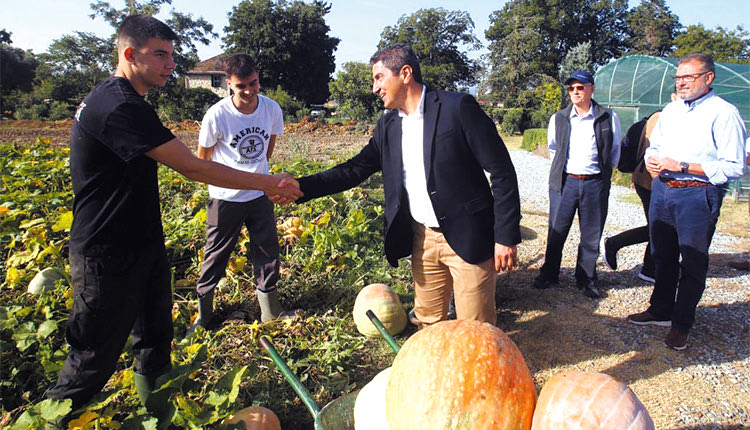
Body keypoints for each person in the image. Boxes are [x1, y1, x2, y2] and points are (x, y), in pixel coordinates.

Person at [44, 15, 301, 422]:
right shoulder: (117, 106)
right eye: (160, 55)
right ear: (130, 54)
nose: (170, 65)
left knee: (155, 338)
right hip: (105, 252)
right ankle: (51, 416)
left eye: (172, 55)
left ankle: (160, 412)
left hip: (142, 242)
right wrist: (269, 181)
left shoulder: (130, 103)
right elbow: (194, 167)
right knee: (94, 357)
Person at [278, 43, 521, 328]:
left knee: (476, 329)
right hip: (422, 239)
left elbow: (502, 172)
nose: (374, 88)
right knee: (428, 325)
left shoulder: (457, 109)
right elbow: (354, 169)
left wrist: (505, 236)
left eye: (379, 77)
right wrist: (300, 186)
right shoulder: (388, 127)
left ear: (405, 74)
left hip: (469, 237)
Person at [628, 53, 747, 350]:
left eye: (688, 77)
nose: (681, 83)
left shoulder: (724, 113)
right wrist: (652, 160)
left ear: (708, 78)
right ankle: (660, 310)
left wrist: (682, 166)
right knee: (662, 255)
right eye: (678, 78)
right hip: (664, 191)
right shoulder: (671, 110)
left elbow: (734, 167)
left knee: (692, 261)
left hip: (697, 193)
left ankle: (682, 324)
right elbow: (654, 146)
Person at [192, 53, 298, 329]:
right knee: (216, 253)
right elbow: (203, 161)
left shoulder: (271, 109)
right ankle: (204, 316)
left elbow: (268, 149)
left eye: (253, 83)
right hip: (225, 198)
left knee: (267, 249)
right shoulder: (217, 115)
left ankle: (270, 311)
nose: (249, 91)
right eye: (241, 86)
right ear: (229, 84)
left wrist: (258, 178)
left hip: (260, 195)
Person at [533, 70, 622, 299]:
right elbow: (554, 148)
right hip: (565, 182)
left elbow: (614, 152)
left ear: (591, 89)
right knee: (556, 230)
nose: (575, 92)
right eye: (571, 88)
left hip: (594, 183)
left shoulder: (608, 117)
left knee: (591, 235)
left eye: (580, 88)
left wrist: (601, 176)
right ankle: (550, 274)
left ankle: (586, 279)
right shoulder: (559, 118)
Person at [604, 92, 678, 283]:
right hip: (650, 182)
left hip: (660, 182)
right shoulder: (661, 118)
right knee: (660, 227)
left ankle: (649, 267)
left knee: (660, 226)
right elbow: (652, 152)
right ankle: (614, 244)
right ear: (673, 96)